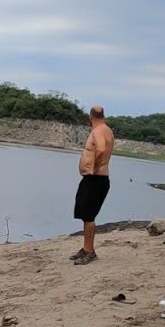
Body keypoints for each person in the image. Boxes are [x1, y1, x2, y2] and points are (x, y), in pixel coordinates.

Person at [70, 105, 115, 265]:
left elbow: (101, 148)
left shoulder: (98, 131)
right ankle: (85, 247)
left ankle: (90, 252)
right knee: (85, 214)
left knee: (88, 216)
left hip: (96, 180)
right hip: (95, 180)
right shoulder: (106, 129)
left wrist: (93, 167)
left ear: (90, 117)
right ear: (103, 115)